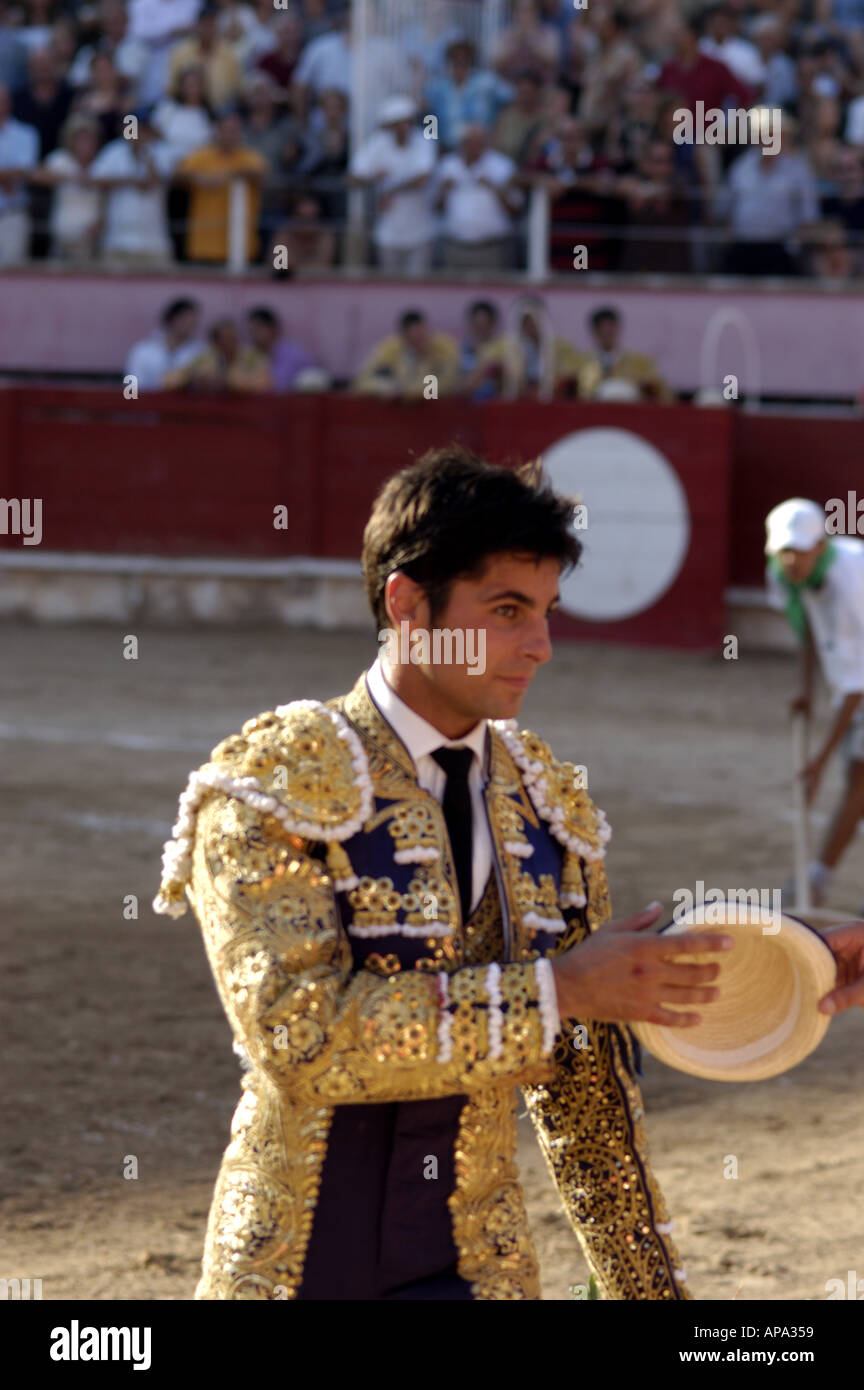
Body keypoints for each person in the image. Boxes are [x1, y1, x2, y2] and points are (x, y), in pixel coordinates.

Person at [154, 443, 730, 1300]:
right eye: (506, 609)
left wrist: (652, 1298)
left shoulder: (546, 803)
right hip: (294, 1265)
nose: (539, 646)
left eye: (546, 611)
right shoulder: (271, 785)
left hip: (473, 1263)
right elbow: (300, 1039)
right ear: (407, 605)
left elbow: (589, 1098)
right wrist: (557, 991)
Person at [765, 498, 864, 909]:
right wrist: (805, 687)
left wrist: (818, 763)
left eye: (799, 552)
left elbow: (858, 686)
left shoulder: (852, 581)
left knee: (860, 776)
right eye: (784, 551)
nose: (791, 561)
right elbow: (806, 625)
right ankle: (819, 877)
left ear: (820, 548)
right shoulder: (787, 575)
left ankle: (819, 877)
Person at [348, 94, 437, 276]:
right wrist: (373, 178)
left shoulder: (424, 141)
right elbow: (350, 179)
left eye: (408, 122)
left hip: (421, 233)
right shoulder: (377, 144)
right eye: (399, 123)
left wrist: (390, 189)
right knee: (389, 288)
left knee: (418, 291)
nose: (405, 127)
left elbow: (423, 178)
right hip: (387, 234)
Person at [176, 107, 268, 263]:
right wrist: (199, 178)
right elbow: (178, 175)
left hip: (241, 247)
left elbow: (261, 173)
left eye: (234, 131)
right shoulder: (202, 156)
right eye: (226, 130)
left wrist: (229, 175)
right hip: (203, 247)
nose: (229, 135)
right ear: (217, 131)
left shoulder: (249, 157)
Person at [88, 105, 174, 267]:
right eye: (133, 128)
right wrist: (130, 181)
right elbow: (95, 180)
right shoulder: (113, 151)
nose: (137, 133)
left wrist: (144, 153)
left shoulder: (162, 152)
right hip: (118, 241)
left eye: (142, 128)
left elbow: (155, 181)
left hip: (154, 242)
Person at [434, 123, 523, 272]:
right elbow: (436, 208)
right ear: (462, 144)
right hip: (454, 246)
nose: (475, 147)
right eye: (470, 143)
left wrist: (494, 187)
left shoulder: (503, 166)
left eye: (480, 143)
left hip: (491, 248)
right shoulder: (447, 166)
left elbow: (516, 209)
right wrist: (444, 191)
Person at [424, 38, 513, 153]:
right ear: (449, 62)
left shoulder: (488, 82)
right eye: (455, 59)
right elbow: (429, 117)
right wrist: (432, 143)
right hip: (448, 149)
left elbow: (512, 99)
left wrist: (498, 130)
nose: (460, 63)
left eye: (464, 60)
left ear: (471, 61)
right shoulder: (437, 87)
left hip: (482, 149)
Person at [352, 308, 460, 400]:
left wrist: (408, 392)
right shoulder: (391, 348)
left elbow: (448, 383)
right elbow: (361, 381)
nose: (419, 342)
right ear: (404, 336)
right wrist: (386, 388)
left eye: (421, 336)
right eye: (413, 338)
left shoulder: (443, 347)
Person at [37, 113, 103, 261]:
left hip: (90, 238)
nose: (86, 145)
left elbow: (106, 199)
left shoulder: (102, 164)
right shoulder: (60, 160)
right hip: (62, 234)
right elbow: (37, 176)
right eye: (81, 139)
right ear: (71, 140)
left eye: (90, 140)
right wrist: (70, 177)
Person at [578, 306, 673, 402]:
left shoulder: (641, 364)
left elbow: (665, 395)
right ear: (594, 331)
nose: (606, 333)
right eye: (601, 329)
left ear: (618, 329)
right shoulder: (579, 363)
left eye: (610, 328)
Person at [164, 315, 271, 392]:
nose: (232, 344)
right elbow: (168, 381)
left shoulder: (253, 358)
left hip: (247, 412)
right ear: (215, 343)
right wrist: (190, 379)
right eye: (226, 339)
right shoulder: (204, 358)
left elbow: (265, 385)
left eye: (234, 339)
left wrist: (227, 382)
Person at [124, 297, 204, 391]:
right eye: (185, 319)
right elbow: (133, 386)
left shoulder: (200, 352)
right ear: (171, 319)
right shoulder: (142, 351)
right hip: (146, 402)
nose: (189, 325)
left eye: (193, 321)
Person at [0, 80, 38, 264]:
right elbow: (13, 173)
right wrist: (8, 173)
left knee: (14, 274)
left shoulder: (26, 134)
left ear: (9, 103)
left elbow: (24, 171)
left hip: (12, 213)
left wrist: (11, 174)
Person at [245, 305, 317, 392]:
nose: (253, 334)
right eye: (251, 330)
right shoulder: (249, 357)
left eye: (257, 328)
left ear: (273, 328)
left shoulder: (296, 355)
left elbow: (315, 381)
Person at [458, 298, 506, 401]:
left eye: (484, 324)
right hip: (465, 402)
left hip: (492, 402)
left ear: (492, 324)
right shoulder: (463, 348)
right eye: (477, 325)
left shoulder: (501, 348)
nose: (480, 329)